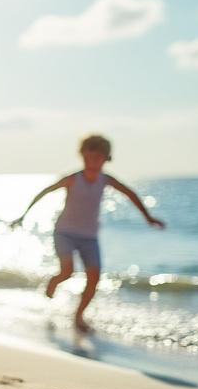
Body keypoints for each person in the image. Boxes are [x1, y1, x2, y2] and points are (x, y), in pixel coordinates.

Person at [12, 134, 165, 332]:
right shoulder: (73, 179)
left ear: (105, 158)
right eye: (88, 158)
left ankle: (78, 317)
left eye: (97, 158)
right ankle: (54, 281)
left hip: (89, 237)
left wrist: (148, 218)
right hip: (65, 233)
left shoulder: (106, 180)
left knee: (94, 278)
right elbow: (45, 191)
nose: (92, 162)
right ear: (82, 156)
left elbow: (131, 194)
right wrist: (24, 215)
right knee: (67, 271)